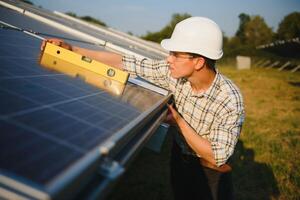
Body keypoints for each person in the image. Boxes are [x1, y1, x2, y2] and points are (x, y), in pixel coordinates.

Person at [41, 16, 244, 200]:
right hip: (180, 155)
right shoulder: (173, 75)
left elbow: (216, 155)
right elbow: (126, 62)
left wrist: (178, 122)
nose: (168, 59)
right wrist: (72, 50)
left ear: (198, 62)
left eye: (175, 54)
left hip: (210, 172)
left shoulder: (228, 99)